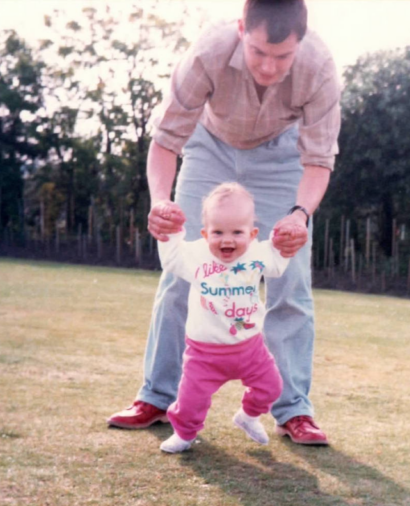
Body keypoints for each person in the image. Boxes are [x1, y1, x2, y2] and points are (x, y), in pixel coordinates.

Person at [108, 0, 341, 445]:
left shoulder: (321, 68)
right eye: (259, 52)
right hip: (210, 145)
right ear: (241, 30)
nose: (270, 67)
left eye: (283, 57)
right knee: (182, 272)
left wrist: (299, 215)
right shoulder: (208, 51)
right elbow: (166, 140)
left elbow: (319, 160)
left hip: (281, 155)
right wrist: (160, 202)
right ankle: (157, 397)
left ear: (301, 43)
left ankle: (293, 410)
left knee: (290, 278)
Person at [156, 183, 297, 453]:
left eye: (237, 232)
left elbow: (277, 266)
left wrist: (282, 244)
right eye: (218, 232)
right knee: (190, 401)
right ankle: (184, 434)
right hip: (203, 354)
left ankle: (248, 416)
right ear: (204, 233)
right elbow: (172, 259)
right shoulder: (197, 254)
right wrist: (171, 232)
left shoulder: (258, 253)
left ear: (253, 234)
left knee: (272, 387)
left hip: (250, 349)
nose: (227, 240)